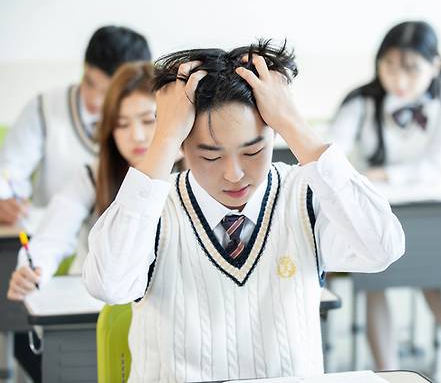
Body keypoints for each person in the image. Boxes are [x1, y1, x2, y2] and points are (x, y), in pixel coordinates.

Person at [83, 41, 405, 381]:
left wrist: (295, 124)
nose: (234, 174)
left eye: (253, 152)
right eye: (210, 156)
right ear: (182, 145)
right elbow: (109, 284)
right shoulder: (156, 208)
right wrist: (162, 137)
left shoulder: (304, 195)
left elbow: (383, 248)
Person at [330, 21, 441, 372]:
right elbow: (331, 154)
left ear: (435, 66)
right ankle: (389, 373)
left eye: (411, 68)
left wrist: (382, 174)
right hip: (375, 207)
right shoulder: (361, 99)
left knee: (436, 279)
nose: (399, 79)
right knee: (375, 282)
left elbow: (440, 166)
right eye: (389, 65)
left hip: (429, 209)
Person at [0, 25, 151, 225]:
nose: (94, 100)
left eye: (108, 93)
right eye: (89, 82)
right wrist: (5, 197)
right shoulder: (44, 107)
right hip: (47, 229)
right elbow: (10, 170)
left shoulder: (152, 127)